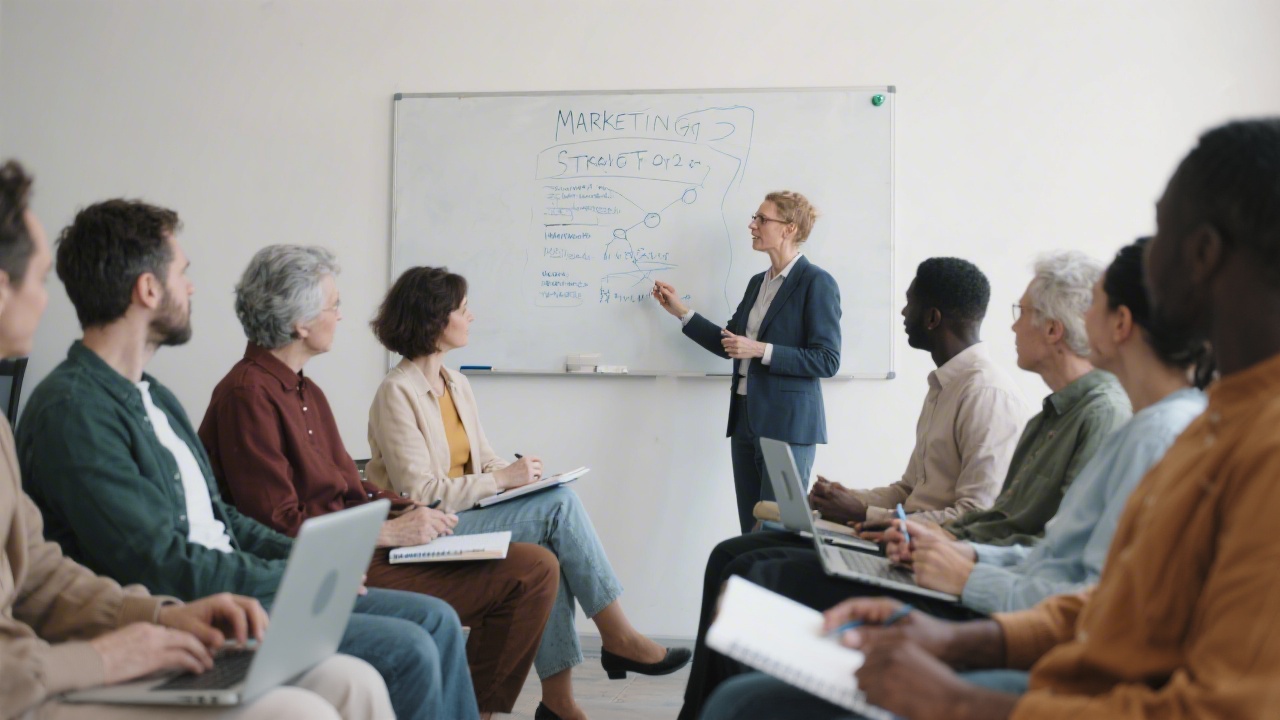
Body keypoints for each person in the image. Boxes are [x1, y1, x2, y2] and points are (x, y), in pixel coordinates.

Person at [702, 116, 1280, 720]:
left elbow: (1211, 704)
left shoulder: (1227, 441)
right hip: (1039, 655)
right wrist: (956, 639)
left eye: (1159, 230)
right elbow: (1107, 601)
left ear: (1204, 253)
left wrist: (959, 698)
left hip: (1062, 691)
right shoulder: (1208, 424)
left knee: (750, 686)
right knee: (751, 667)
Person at [17, 199, 476, 720]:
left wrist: (304, 564)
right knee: (408, 649)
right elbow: (156, 562)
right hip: (202, 605)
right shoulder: (75, 410)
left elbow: (221, 517)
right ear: (148, 289)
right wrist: (289, 577)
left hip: (242, 585)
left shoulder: (155, 396)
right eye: (182, 273)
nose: (191, 287)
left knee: (434, 621)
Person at [678, 250, 1131, 720]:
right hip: (928, 551)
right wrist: (856, 505)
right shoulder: (971, 393)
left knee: (756, 573)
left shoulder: (994, 395)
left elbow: (990, 520)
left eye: (1023, 314)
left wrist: (877, 522)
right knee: (738, 556)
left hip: (948, 571)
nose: (1013, 326)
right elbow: (920, 491)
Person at [199, 244, 558, 718]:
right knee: (472, 602)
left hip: (369, 548)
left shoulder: (307, 390)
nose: (341, 316)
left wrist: (409, 511)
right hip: (332, 566)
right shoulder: (248, 396)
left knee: (535, 568)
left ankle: (470, 711)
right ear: (298, 323)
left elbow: (354, 486)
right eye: (333, 306)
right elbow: (275, 525)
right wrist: (387, 530)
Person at [366, 266, 691, 720]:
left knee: (549, 533)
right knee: (558, 510)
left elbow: (484, 459)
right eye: (462, 310)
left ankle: (559, 702)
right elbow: (420, 492)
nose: (471, 316)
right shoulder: (395, 393)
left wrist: (523, 477)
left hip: (466, 517)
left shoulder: (455, 383)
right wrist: (503, 481)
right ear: (435, 320)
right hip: (424, 532)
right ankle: (618, 639)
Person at [651, 190, 841, 533]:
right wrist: (681, 311)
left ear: (789, 228)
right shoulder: (758, 283)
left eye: (762, 219)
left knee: (777, 534)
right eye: (755, 218)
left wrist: (761, 350)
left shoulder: (817, 283)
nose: (752, 225)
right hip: (744, 423)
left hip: (787, 427)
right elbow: (731, 344)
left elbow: (827, 360)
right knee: (749, 535)